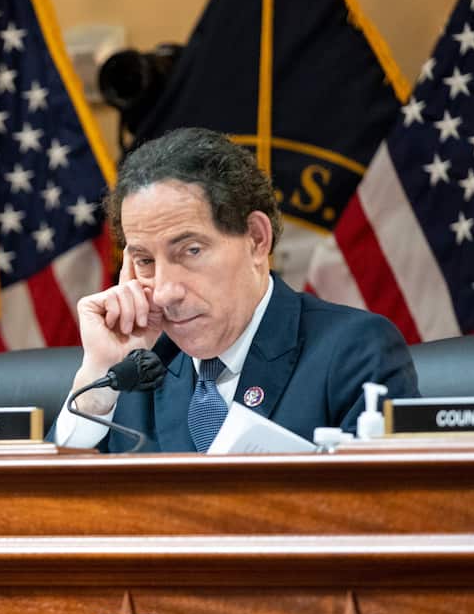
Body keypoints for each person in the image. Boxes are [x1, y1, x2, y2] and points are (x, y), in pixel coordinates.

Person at [54, 127, 418, 453]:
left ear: (257, 239)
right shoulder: (134, 370)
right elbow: (46, 514)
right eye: (145, 261)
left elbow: (388, 515)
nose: (164, 292)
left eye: (191, 251)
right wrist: (97, 381)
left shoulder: (353, 352)